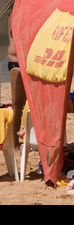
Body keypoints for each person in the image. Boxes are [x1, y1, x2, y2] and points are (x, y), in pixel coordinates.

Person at [7, 13, 27, 151]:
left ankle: (28, 136)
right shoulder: (15, 14)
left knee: (31, 106)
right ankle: (14, 144)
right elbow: (16, 33)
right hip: (16, 63)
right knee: (17, 106)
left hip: (29, 63)